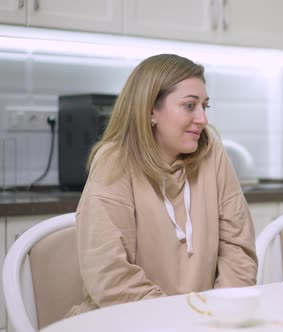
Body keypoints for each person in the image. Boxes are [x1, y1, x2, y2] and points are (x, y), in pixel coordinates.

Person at [67, 54, 257, 316]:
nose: (202, 118)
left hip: (204, 321)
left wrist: (221, 311)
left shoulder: (211, 150)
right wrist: (177, 317)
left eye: (205, 106)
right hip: (126, 321)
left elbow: (238, 247)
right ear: (151, 111)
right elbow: (109, 274)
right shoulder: (115, 160)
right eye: (190, 106)